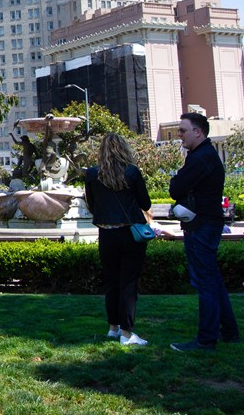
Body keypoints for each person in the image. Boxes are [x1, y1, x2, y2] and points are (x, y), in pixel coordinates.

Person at [169, 112, 240, 352]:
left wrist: (176, 180)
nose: (179, 135)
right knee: (213, 280)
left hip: (201, 225)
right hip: (207, 223)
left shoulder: (200, 158)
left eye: (183, 130)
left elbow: (176, 188)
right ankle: (229, 331)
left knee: (205, 283)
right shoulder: (205, 155)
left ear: (198, 132)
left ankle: (206, 339)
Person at [84, 133, 152, 347]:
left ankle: (113, 328)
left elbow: (92, 205)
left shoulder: (92, 174)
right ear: (124, 149)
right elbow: (145, 203)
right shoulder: (131, 172)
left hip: (106, 233)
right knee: (128, 283)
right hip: (130, 233)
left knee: (111, 282)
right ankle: (127, 333)